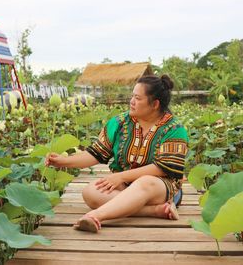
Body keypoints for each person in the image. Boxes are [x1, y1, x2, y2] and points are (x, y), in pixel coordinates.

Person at [45, 75, 189, 233]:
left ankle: (95, 216)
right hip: (124, 186)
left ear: (155, 104)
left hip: (161, 187)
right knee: (90, 192)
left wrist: (121, 176)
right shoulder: (119, 123)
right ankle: (154, 210)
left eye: (138, 98)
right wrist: (62, 161)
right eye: (132, 96)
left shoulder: (175, 129)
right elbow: (95, 154)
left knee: (146, 182)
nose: (131, 101)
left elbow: (163, 168)